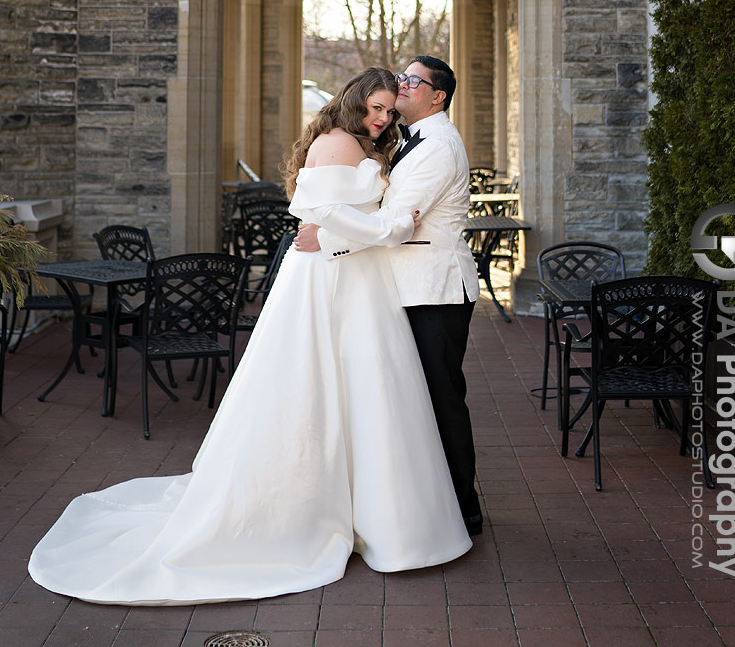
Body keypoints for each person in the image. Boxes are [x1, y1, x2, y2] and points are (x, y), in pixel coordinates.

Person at [28, 68, 471, 606]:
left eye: (388, 110)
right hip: (331, 276)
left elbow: (345, 219)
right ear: (353, 102)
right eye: (375, 108)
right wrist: (330, 235)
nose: (383, 118)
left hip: (360, 274)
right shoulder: (337, 143)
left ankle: (374, 510)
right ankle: (319, 510)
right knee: (323, 382)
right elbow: (320, 213)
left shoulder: (391, 144)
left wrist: (333, 233)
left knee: (372, 389)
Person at [296, 55, 483, 536]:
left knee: (442, 400)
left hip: (433, 288)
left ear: (437, 95)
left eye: (411, 80)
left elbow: (398, 224)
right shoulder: (408, 140)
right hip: (405, 285)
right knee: (415, 400)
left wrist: (328, 238)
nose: (401, 85)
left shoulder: (439, 146)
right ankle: (427, 504)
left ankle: (463, 508)